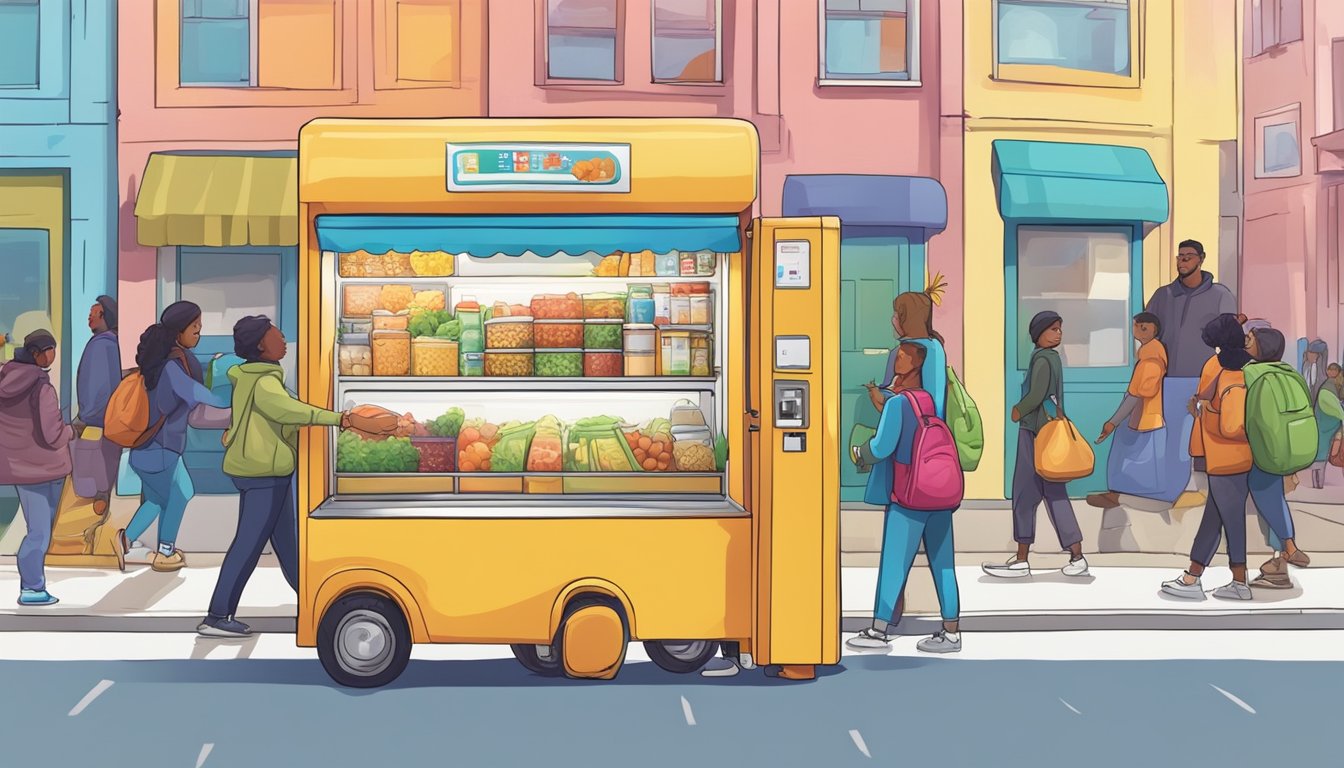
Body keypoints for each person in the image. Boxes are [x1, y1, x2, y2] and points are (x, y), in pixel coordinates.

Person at [198, 316, 397, 638]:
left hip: (268, 471)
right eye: (277, 335)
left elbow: (279, 418)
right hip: (263, 472)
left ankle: (313, 601)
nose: (283, 339)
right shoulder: (264, 381)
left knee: (290, 546)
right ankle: (217, 615)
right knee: (248, 545)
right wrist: (345, 419)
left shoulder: (255, 376)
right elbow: (287, 412)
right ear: (262, 345)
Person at [846, 342, 961, 654]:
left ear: (915, 363)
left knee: (894, 563)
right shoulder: (929, 400)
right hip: (939, 493)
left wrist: (859, 453)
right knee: (944, 564)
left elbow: (882, 448)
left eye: (902, 354)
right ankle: (951, 632)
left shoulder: (899, 405)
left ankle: (879, 630)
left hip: (909, 495)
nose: (895, 358)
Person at [116, 301, 228, 572]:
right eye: (195, 328)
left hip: (145, 450)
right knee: (181, 493)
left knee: (157, 499)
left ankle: (125, 539)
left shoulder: (159, 364)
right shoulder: (173, 367)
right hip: (162, 450)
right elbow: (199, 397)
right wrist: (235, 408)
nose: (199, 334)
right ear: (179, 331)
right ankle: (165, 551)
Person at [984, 311, 1088, 578]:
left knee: (1024, 495)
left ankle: (1022, 560)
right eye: (1054, 329)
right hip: (1049, 435)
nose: (1059, 334)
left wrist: (1019, 409)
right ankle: (1076, 556)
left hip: (1035, 434)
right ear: (1039, 333)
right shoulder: (1051, 358)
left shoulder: (1043, 358)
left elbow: (1038, 393)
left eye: (1059, 329)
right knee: (1055, 495)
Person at [1162, 314, 1255, 601]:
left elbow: (1231, 425)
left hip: (1227, 457)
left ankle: (1238, 581)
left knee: (1231, 520)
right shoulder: (1250, 370)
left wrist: (1204, 409)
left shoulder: (1227, 373)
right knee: (1215, 518)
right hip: (1230, 458)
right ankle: (1194, 575)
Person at [1144, 240, 1238, 507]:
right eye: (1180, 257)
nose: (1182, 261)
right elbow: (1148, 331)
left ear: (1201, 259)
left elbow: (1230, 338)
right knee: (1174, 438)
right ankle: (1173, 493)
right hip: (1170, 379)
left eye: (1188, 257)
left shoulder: (1221, 295)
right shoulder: (1163, 295)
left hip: (1206, 379)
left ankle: (1215, 496)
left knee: (1210, 437)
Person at [0, 331, 75, 606]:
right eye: (49, 350)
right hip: (45, 468)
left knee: (35, 528)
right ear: (36, 353)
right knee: (40, 532)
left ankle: (32, 585)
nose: (52, 355)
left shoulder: (5, 378)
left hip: (17, 468)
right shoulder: (42, 387)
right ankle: (32, 588)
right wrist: (71, 431)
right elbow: (52, 434)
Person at [1242, 326, 1315, 589]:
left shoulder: (1249, 373)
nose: (1245, 341)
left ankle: (1285, 551)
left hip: (1260, 450)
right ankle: (1283, 554)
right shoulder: (1290, 372)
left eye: (1249, 339)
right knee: (1273, 498)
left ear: (1260, 346)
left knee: (1266, 497)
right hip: (1285, 447)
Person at [1089, 312, 1168, 507]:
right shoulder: (1147, 356)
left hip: (1146, 420)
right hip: (1143, 417)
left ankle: (1128, 497)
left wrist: (1113, 421)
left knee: (1137, 460)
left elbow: (1138, 395)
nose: (1138, 330)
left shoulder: (1150, 361)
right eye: (1136, 326)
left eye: (1144, 327)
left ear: (1153, 330)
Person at [72, 296, 122, 514]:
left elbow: (98, 384)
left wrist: (86, 415)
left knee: (95, 453)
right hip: (109, 414)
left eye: (95, 313)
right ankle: (102, 494)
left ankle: (99, 494)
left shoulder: (101, 345)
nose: (90, 317)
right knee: (108, 454)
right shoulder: (112, 343)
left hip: (96, 415)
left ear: (105, 316)